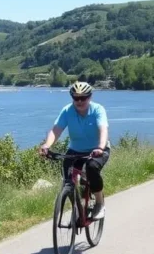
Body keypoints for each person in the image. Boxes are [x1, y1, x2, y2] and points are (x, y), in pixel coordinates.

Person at [39, 81, 110, 220]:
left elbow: (103, 129)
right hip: (76, 150)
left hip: (98, 149)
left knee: (92, 167)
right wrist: (47, 145)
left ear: (90, 97)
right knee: (68, 176)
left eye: (83, 97)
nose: (79, 101)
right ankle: (78, 206)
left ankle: (99, 203)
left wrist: (100, 147)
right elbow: (56, 130)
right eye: (76, 98)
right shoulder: (67, 111)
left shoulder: (98, 109)